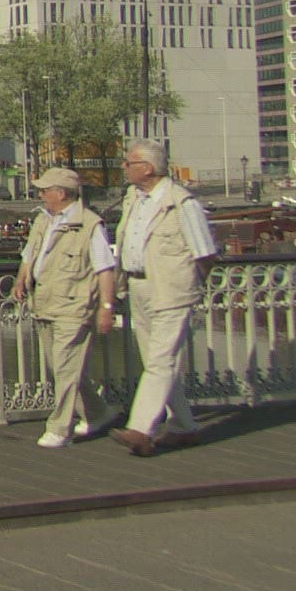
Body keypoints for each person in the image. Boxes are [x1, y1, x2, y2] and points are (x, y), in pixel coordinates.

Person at [110, 139, 217, 457]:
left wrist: (188, 284)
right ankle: (184, 427)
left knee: (160, 361)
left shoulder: (181, 203)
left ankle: (141, 429)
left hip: (171, 289)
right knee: (157, 362)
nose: (124, 167)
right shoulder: (134, 199)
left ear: (148, 168)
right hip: (138, 286)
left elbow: (205, 253)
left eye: (129, 163)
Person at [12, 167, 118, 448]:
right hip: (44, 303)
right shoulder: (43, 220)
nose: (41, 195)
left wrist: (106, 307)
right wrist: (21, 279)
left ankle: (60, 427)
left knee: (66, 368)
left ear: (61, 193)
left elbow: (105, 269)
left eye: (45, 190)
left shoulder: (89, 225)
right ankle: (99, 413)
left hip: (74, 306)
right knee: (61, 368)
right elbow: (29, 254)